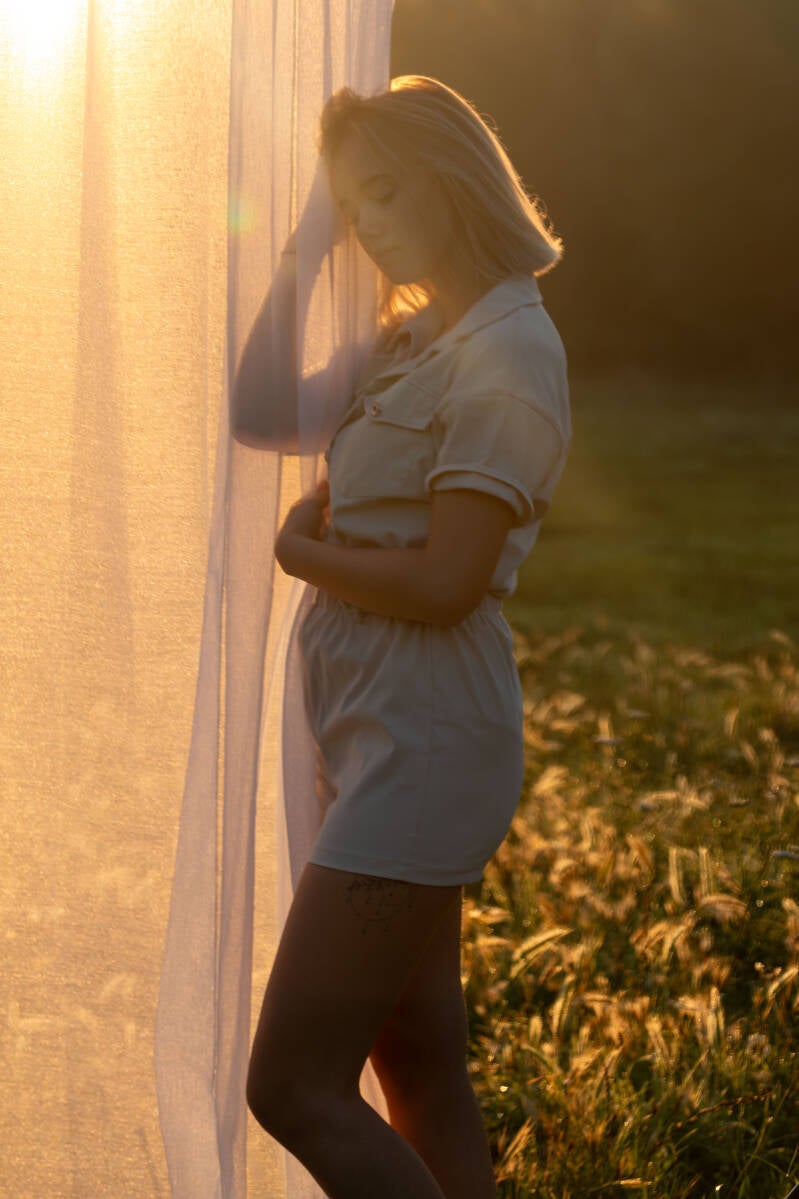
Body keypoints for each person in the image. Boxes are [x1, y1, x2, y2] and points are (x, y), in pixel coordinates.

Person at [233, 74, 571, 1199]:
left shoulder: (510, 351)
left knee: (290, 1087)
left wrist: (304, 558)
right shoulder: (419, 331)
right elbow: (260, 409)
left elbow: (444, 582)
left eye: (382, 192)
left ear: (452, 174)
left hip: (424, 733)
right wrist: (307, 243)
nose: (369, 222)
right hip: (371, 719)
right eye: (351, 201)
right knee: (418, 1066)